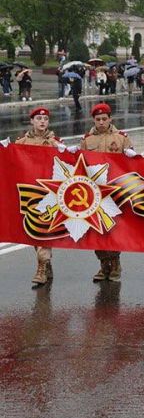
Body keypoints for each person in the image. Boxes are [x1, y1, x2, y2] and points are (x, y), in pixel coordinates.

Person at [80, 103, 134, 282]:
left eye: (104, 119)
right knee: (96, 230)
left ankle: (115, 263)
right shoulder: (87, 140)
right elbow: (80, 165)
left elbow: (131, 165)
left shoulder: (121, 138)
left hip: (115, 190)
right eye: (98, 119)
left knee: (113, 229)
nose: (101, 122)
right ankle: (104, 265)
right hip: (94, 192)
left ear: (110, 119)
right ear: (94, 120)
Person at [15, 107, 61, 288]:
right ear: (32, 121)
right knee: (33, 230)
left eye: (45, 119)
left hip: (49, 193)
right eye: (39, 119)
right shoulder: (21, 142)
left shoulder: (56, 142)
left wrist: (65, 150)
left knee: (43, 228)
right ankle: (46, 263)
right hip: (29, 191)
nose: (42, 122)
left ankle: (41, 268)